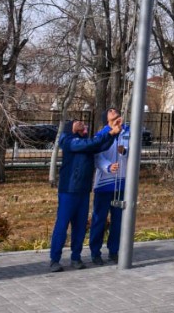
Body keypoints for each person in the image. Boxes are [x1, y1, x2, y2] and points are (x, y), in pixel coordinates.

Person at [49, 115, 123, 272]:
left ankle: (76, 257)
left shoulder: (86, 143)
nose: (82, 123)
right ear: (70, 127)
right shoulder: (68, 140)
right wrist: (109, 132)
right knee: (62, 226)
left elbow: (101, 145)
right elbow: (91, 143)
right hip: (69, 190)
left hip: (83, 191)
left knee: (80, 226)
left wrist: (114, 132)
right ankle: (55, 259)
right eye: (77, 122)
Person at [89, 108, 130, 265]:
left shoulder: (127, 132)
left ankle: (114, 251)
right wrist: (107, 166)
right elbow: (97, 156)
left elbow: (134, 152)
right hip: (105, 183)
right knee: (99, 219)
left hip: (121, 182)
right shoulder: (101, 134)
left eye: (116, 110)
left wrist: (124, 151)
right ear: (106, 118)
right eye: (111, 111)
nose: (115, 112)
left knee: (118, 220)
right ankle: (95, 252)